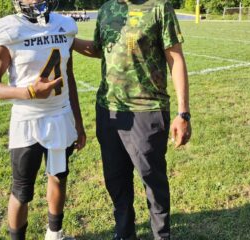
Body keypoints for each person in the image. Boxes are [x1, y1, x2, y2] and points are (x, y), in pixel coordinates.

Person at [73, 0, 191, 239]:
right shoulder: (107, 9)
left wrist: (183, 112)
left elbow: (175, 59)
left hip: (147, 110)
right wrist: (69, 41)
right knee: (115, 179)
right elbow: (99, 48)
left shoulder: (159, 8)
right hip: (109, 110)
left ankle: (161, 234)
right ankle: (124, 232)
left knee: (152, 180)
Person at [0, 0, 86, 239]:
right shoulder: (8, 29)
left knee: (58, 177)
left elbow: (68, 76)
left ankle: (55, 233)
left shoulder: (65, 25)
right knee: (21, 190)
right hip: (27, 121)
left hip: (60, 118)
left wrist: (78, 123)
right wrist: (28, 92)